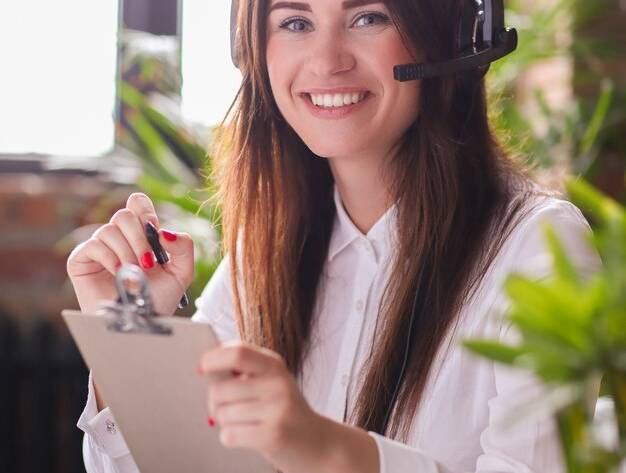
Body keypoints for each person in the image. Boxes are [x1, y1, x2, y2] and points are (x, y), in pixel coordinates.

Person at [66, 0, 602, 472]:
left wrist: (320, 448)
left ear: (456, 34)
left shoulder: (538, 248)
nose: (327, 61)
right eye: (295, 21)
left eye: (369, 17)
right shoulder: (266, 248)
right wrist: (130, 332)